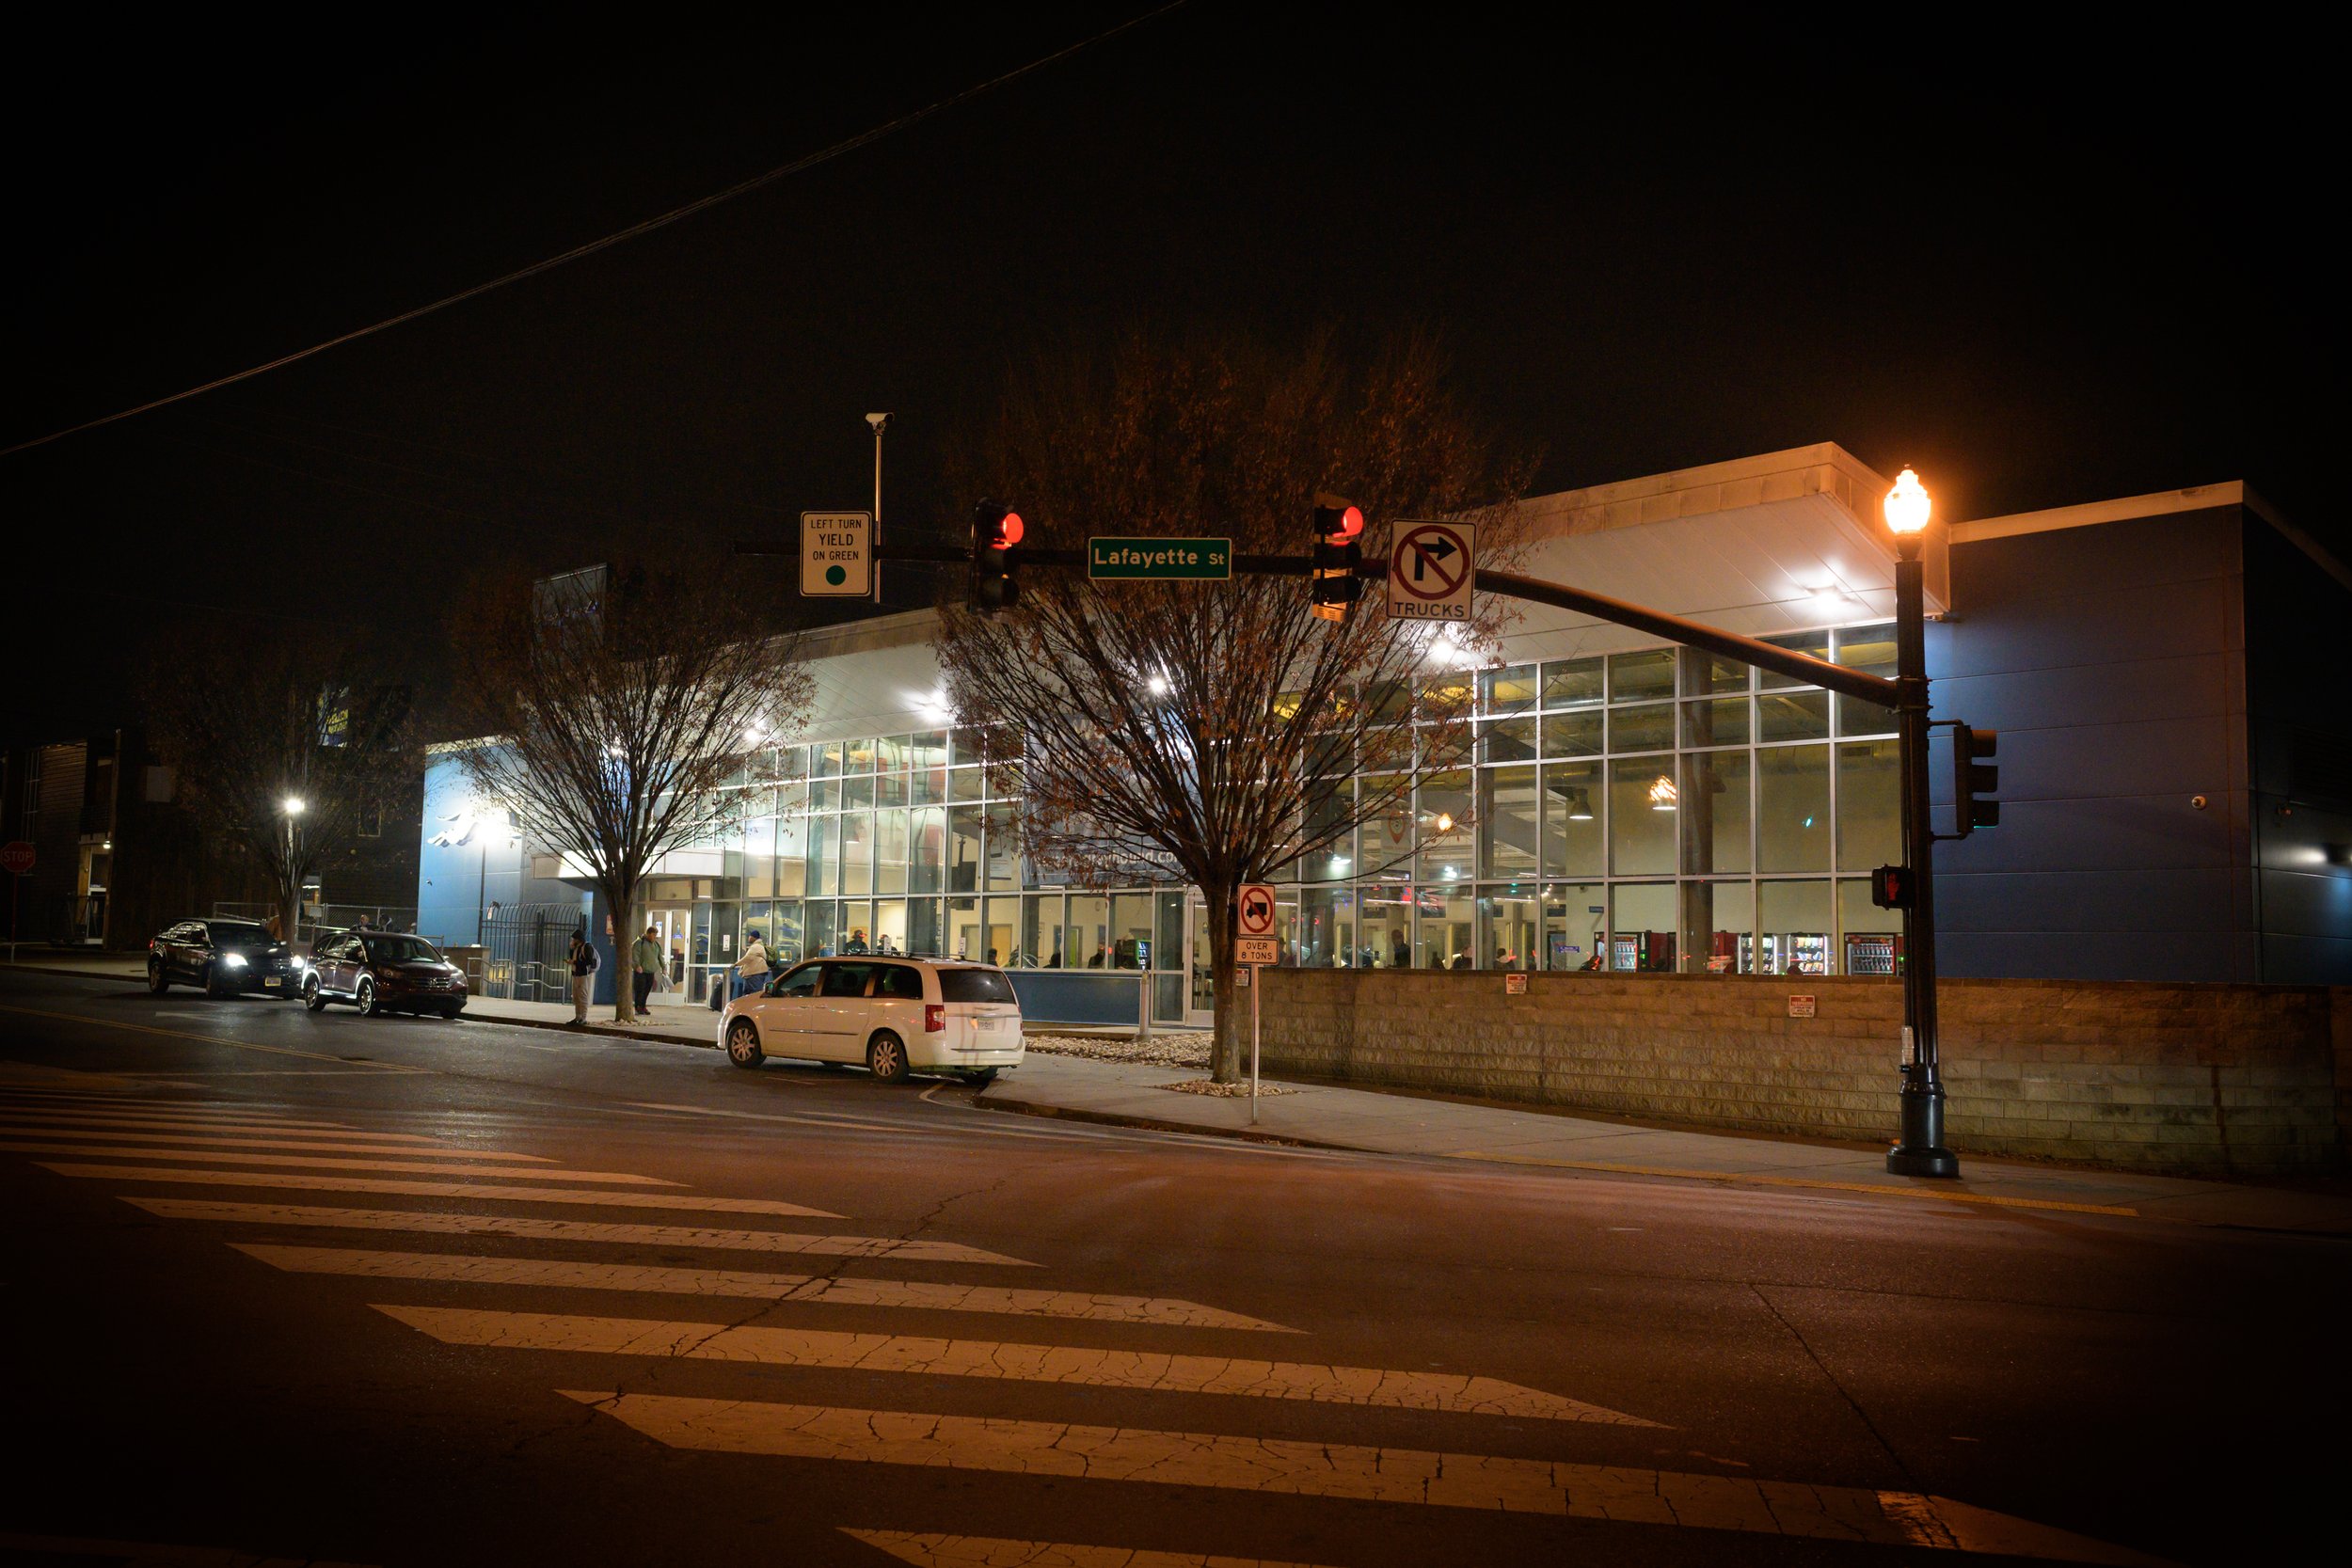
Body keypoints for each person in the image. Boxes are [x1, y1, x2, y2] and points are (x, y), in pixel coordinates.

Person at [566, 927, 597, 1024]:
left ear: (578, 939)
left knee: (582, 996)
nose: (573, 940)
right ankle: (577, 1017)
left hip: (583, 974)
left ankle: (583, 1018)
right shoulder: (576, 948)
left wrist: (574, 962)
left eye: (574, 939)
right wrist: (571, 949)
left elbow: (589, 961)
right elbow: (573, 958)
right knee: (576, 997)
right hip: (575, 974)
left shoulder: (586, 947)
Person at [630, 925, 663, 1013]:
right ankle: (638, 1007)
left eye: (655, 935)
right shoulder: (640, 942)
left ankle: (643, 1006)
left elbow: (660, 957)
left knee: (647, 990)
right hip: (641, 971)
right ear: (648, 934)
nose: (654, 937)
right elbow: (635, 955)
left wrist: (663, 967)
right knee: (640, 989)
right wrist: (637, 965)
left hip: (651, 971)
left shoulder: (656, 945)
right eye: (653, 935)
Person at [737, 928, 770, 999]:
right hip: (753, 974)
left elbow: (748, 958)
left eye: (750, 936)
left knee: (754, 994)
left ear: (753, 937)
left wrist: (735, 964)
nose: (748, 938)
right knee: (749, 994)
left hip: (755, 974)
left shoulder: (756, 946)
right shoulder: (758, 946)